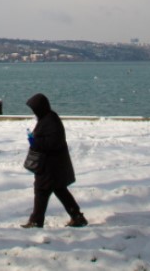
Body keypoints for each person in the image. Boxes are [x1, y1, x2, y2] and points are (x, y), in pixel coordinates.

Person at [22, 93, 88, 229]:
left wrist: (35, 142)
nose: (33, 112)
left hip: (51, 167)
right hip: (53, 166)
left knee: (41, 191)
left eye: (34, 109)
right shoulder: (47, 118)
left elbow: (52, 143)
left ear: (40, 108)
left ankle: (36, 221)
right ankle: (77, 217)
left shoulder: (51, 121)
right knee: (59, 190)